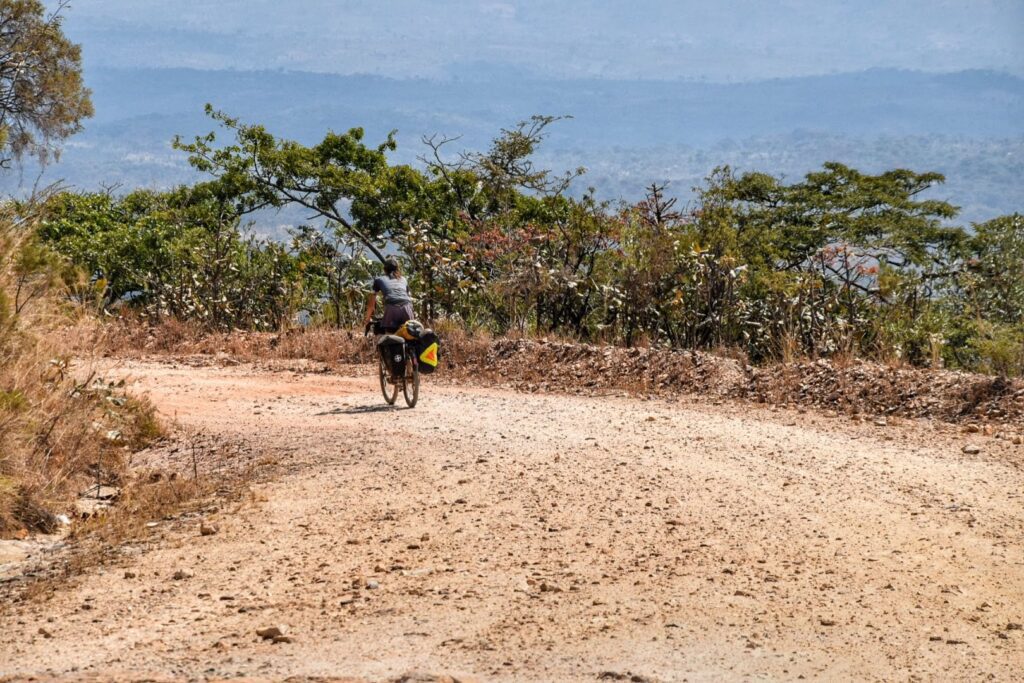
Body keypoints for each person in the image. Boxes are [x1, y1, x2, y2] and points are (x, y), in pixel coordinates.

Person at [363, 257, 414, 333]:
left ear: (384, 270)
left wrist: (367, 319)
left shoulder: (379, 280)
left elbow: (371, 305)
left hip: (391, 308)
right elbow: (408, 297)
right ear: (397, 269)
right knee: (409, 334)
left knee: (390, 337)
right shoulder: (403, 279)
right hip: (407, 307)